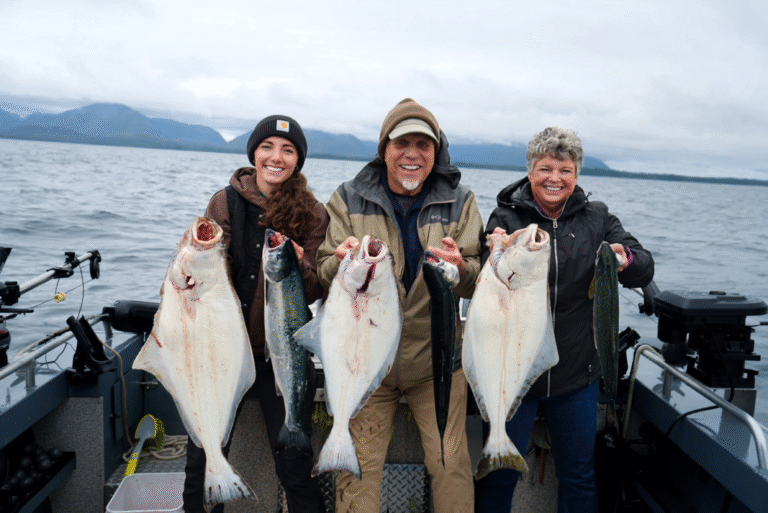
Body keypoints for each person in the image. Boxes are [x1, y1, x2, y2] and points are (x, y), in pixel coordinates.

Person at [473, 127, 655, 513]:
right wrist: (494, 247)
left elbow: (642, 267)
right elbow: (485, 265)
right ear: (530, 171)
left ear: (577, 174)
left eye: (565, 169)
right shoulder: (506, 214)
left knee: (578, 475)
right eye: (545, 168)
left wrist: (626, 259)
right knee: (499, 475)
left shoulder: (598, 219)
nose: (555, 178)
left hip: (576, 375)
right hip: (513, 373)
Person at [316, 98, 483, 512]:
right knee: (358, 470)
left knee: (451, 465)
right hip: (365, 362)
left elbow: (477, 280)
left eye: (423, 145)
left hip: (437, 364)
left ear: (436, 151)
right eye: (401, 142)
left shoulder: (460, 202)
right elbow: (322, 268)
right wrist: (337, 264)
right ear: (384, 148)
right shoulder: (347, 198)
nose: (412, 153)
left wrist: (461, 268)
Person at [183, 115, 329, 513]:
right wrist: (195, 252)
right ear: (254, 153)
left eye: (288, 150)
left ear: (298, 160)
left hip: (281, 352)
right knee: (202, 459)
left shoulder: (314, 214)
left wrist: (302, 267)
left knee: (295, 461)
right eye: (267, 147)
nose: (276, 157)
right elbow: (204, 273)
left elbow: (317, 289)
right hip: (222, 351)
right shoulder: (223, 201)